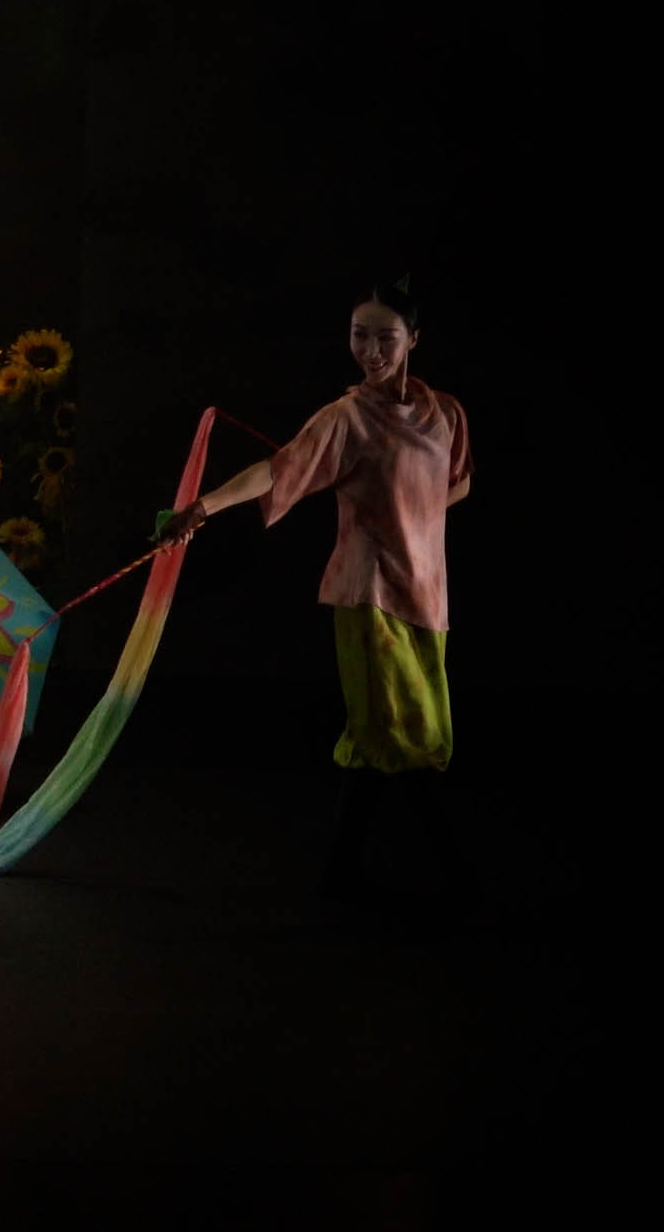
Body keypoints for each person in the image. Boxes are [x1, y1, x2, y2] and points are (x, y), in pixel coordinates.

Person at [161, 278, 468, 891]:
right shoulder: (345, 418)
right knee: (402, 736)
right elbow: (276, 472)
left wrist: (403, 511)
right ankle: (456, 881)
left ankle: (340, 876)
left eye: (386, 337)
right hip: (368, 592)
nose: (371, 350)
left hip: (425, 592)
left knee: (395, 737)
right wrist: (202, 507)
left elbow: (457, 483)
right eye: (359, 335)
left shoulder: (446, 414)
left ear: (413, 339)